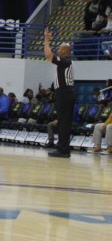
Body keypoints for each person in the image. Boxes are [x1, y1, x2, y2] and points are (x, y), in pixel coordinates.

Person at [45, 28, 74, 158]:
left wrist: (46, 40)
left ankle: (64, 150)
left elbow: (48, 56)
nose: (58, 50)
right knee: (62, 122)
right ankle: (62, 148)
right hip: (63, 94)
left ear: (65, 51)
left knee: (64, 123)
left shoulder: (66, 61)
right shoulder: (64, 62)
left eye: (60, 49)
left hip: (65, 93)